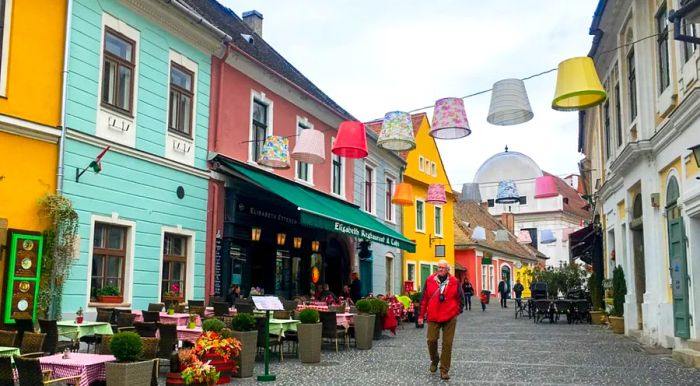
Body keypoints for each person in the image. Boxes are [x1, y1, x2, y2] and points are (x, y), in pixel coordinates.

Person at [419, 259, 464, 381]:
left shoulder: (454, 282)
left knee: (447, 344)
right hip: (433, 315)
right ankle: (435, 359)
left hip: (449, 316)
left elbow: (461, 298)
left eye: (443, 268)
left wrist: (456, 312)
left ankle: (444, 370)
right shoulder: (430, 280)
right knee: (431, 340)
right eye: (438, 267)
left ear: (448, 270)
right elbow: (423, 299)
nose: (440, 269)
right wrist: (420, 316)